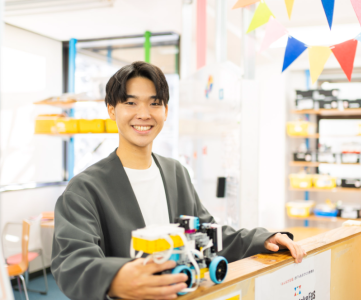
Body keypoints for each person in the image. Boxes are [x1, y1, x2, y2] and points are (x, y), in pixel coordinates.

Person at [51, 61, 306, 300]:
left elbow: (208, 234)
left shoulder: (176, 173)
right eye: (130, 103)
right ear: (111, 110)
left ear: (165, 111)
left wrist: (263, 238)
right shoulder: (84, 188)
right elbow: (71, 261)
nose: (143, 114)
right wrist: (116, 277)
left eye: (154, 103)